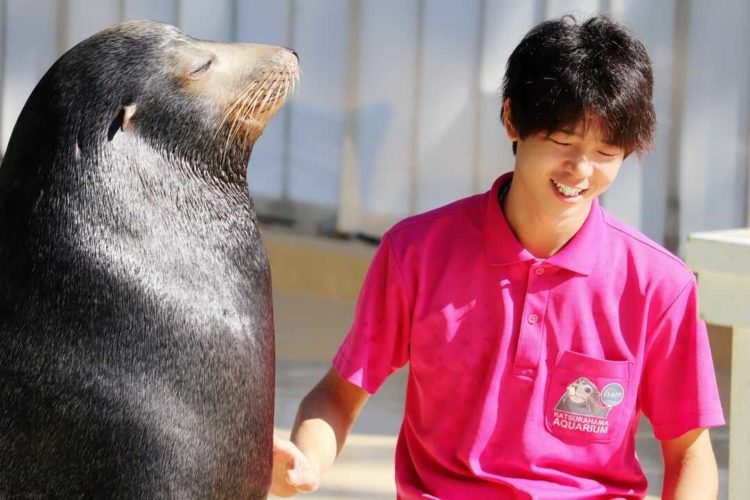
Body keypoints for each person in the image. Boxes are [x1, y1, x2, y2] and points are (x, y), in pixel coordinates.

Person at [271, 15, 725, 499]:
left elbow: (691, 452)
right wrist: (307, 461)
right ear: (512, 119)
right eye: (562, 142)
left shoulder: (660, 285)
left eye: (606, 152)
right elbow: (338, 395)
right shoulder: (416, 253)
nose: (581, 170)